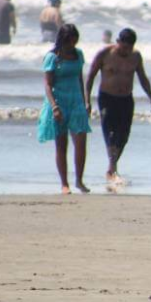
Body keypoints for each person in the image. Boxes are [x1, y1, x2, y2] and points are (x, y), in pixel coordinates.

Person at [85, 28, 151, 184]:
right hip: (107, 98)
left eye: (129, 48)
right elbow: (90, 76)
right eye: (123, 47)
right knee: (110, 134)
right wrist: (87, 101)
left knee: (123, 137)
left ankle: (111, 168)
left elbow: (143, 78)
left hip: (125, 99)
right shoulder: (105, 53)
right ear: (118, 42)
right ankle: (113, 169)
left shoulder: (136, 56)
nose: (126, 51)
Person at [37, 24, 91, 194]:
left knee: (81, 143)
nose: (72, 45)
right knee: (62, 145)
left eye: (75, 41)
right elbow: (47, 84)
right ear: (63, 40)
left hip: (76, 102)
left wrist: (86, 101)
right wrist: (54, 106)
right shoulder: (53, 57)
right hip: (58, 102)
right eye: (70, 42)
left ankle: (79, 181)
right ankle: (64, 183)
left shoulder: (78, 54)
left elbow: (80, 79)